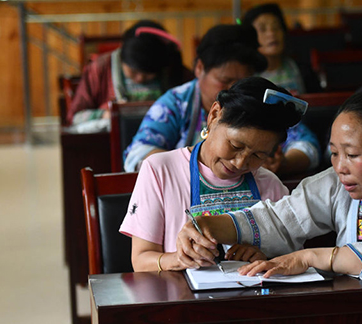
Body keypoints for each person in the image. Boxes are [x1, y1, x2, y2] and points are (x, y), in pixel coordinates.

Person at [175, 91, 362, 280]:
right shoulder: (339, 183)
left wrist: (310, 257)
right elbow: (283, 217)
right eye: (334, 153)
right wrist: (209, 226)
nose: (339, 166)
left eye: (353, 154)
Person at [120, 77, 305, 272]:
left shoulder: (270, 185)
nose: (240, 162)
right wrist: (179, 258)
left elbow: (293, 258)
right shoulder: (160, 170)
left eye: (258, 155)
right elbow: (141, 260)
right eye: (235, 146)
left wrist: (264, 257)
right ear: (214, 115)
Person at [124, 23, 321, 176]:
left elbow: (307, 145)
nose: (234, 89)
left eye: (242, 81)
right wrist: (201, 164)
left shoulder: (261, 100)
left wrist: (284, 164)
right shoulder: (176, 103)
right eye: (225, 80)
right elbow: (139, 153)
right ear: (200, 68)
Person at [67, 20, 189, 127]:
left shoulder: (171, 67)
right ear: (121, 59)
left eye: (148, 75)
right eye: (133, 72)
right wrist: (106, 115)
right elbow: (75, 117)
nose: (140, 79)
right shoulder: (99, 68)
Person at [242, 3, 322, 95]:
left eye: (276, 27)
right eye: (262, 29)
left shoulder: (302, 70)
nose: (271, 33)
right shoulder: (245, 76)